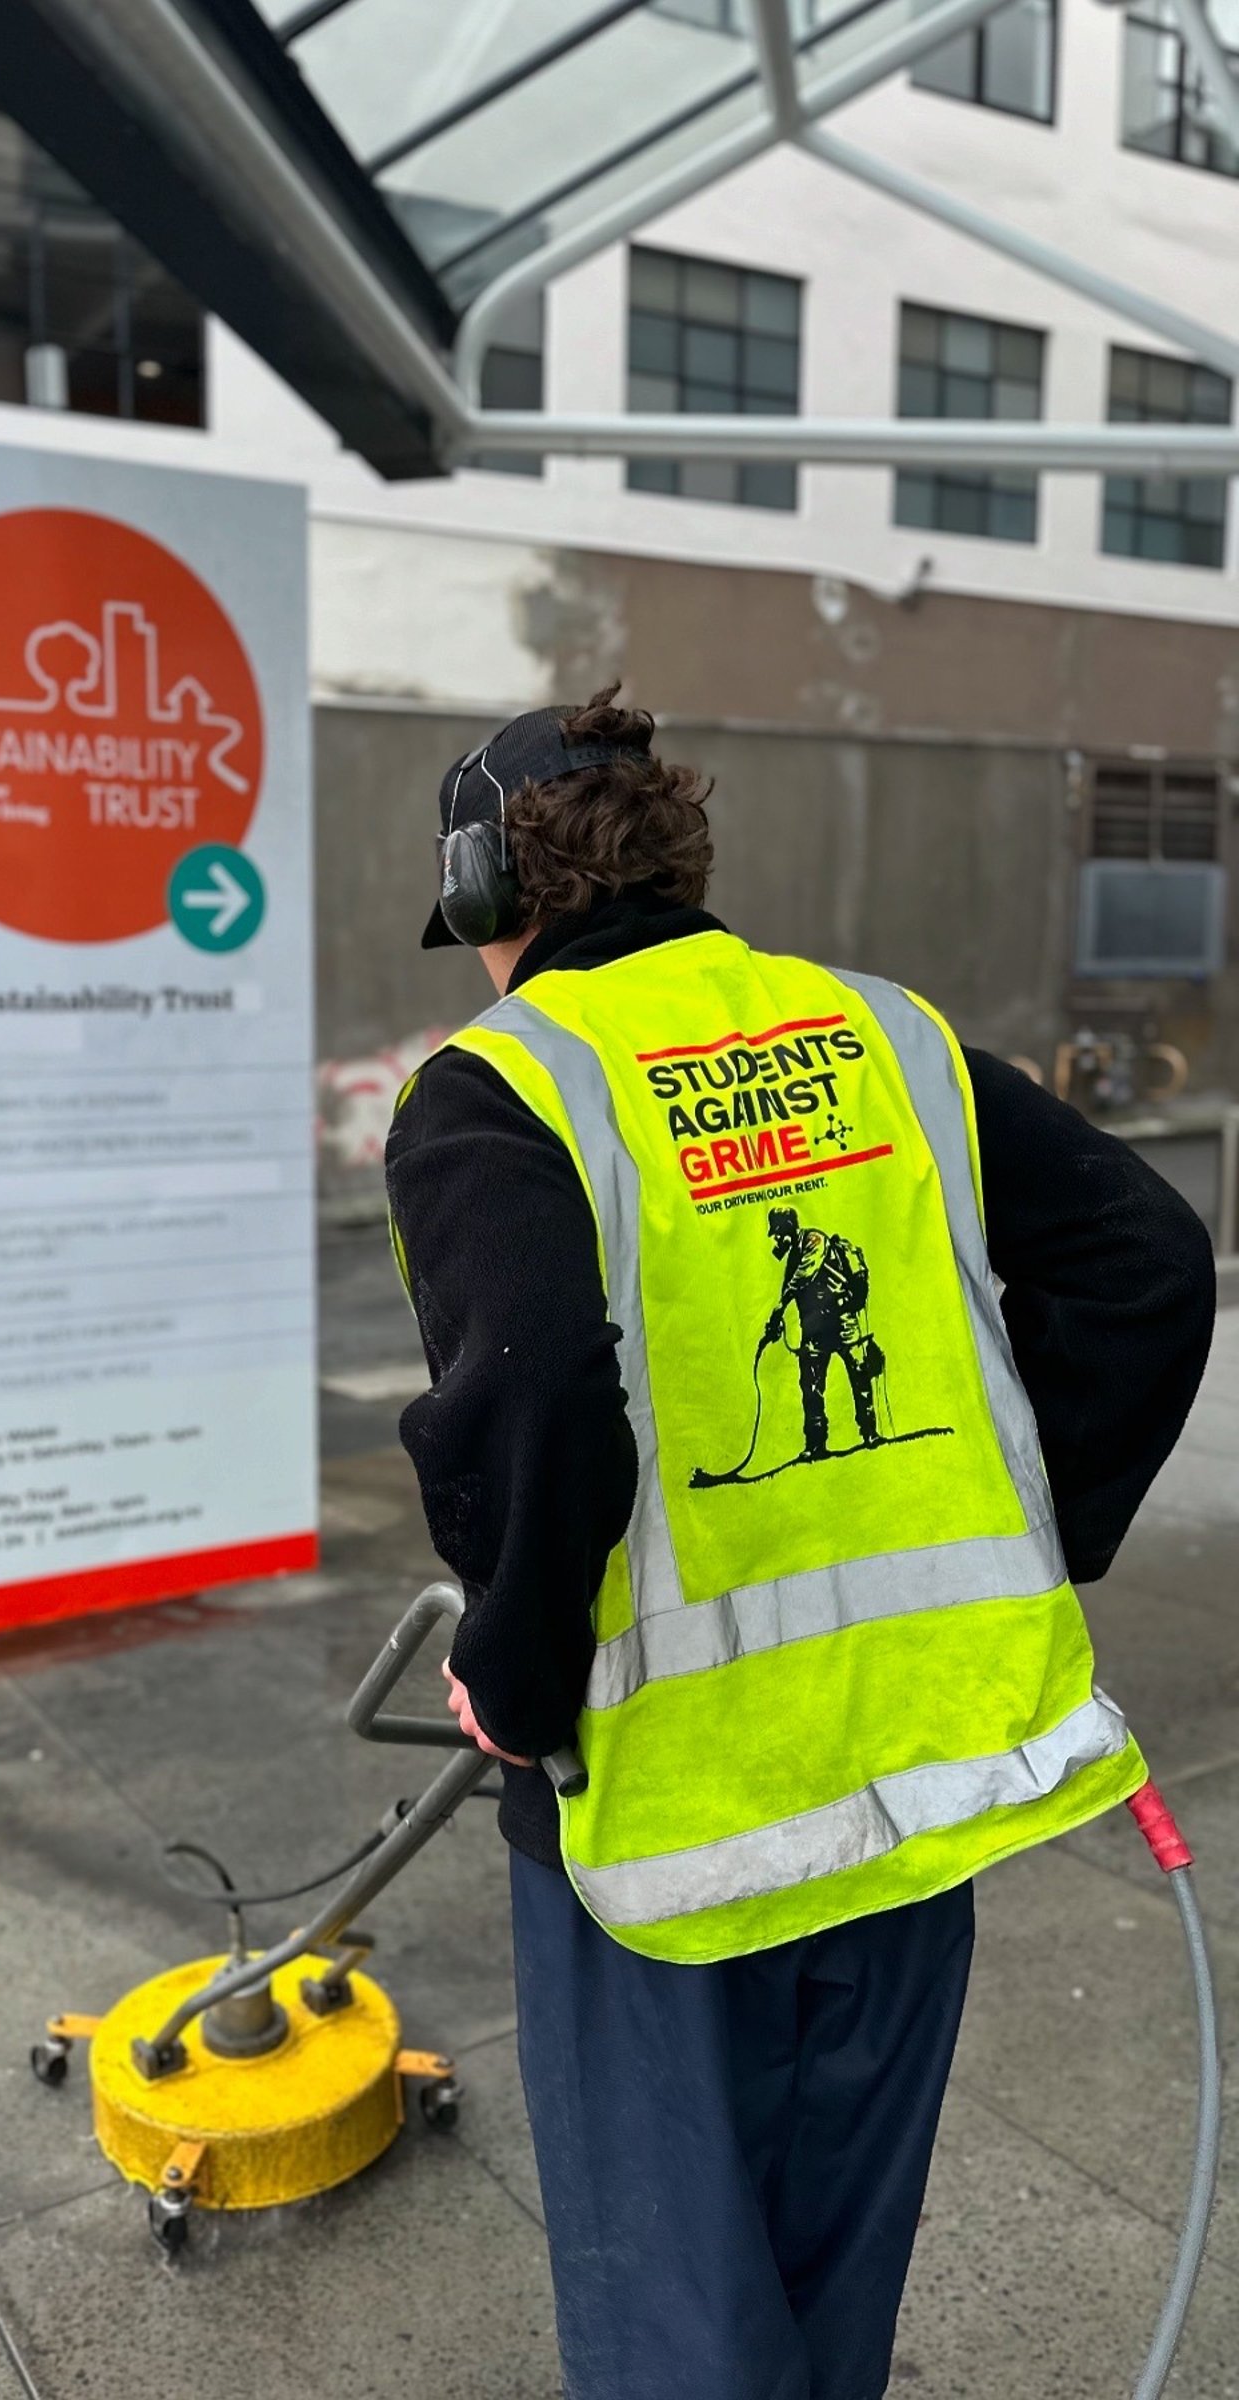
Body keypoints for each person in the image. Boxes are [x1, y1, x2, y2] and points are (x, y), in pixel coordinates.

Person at [384, 689, 1214, 2400]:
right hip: (917, 1780)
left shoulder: (501, 1087)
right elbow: (1145, 1259)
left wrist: (512, 1668)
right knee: (835, 2285)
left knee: (676, 2321)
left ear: (486, 893)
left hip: (670, 1822)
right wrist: (1021, 1532)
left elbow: (533, 1391)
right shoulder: (888, 1040)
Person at [765, 1205, 882, 1459]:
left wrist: (779, 1306)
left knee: (859, 1376)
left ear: (788, 1229)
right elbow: (789, 1287)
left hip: (840, 1319)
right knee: (811, 1385)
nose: (774, 1239)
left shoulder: (813, 1240)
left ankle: (870, 1432)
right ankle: (815, 1444)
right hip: (815, 1327)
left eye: (776, 1233)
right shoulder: (793, 1256)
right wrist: (775, 1323)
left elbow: (803, 1276)